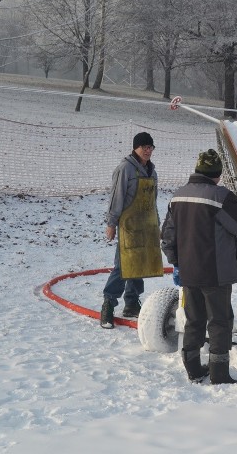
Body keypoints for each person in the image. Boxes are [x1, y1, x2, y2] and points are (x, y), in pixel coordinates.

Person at [161, 149, 237, 384]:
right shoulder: (220, 197)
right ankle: (219, 374)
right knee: (220, 322)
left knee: (194, 320)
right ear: (217, 174)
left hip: (189, 273)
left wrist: (177, 263)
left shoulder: (178, 196)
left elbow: (168, 236)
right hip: (215, 274)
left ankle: (193, 369)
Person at [101, 131, 161, 329]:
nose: (147, 150)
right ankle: (108, 304)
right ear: (135, 147)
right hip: (128, 226)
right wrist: (111, 224)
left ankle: (131, 303)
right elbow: (115, 198)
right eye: (144, 146)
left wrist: (156, 224)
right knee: (123, 266)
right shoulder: (125, 168)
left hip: (146, 226)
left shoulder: (152, 171)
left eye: (150, 147)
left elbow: (153, 202)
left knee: (140, 264)